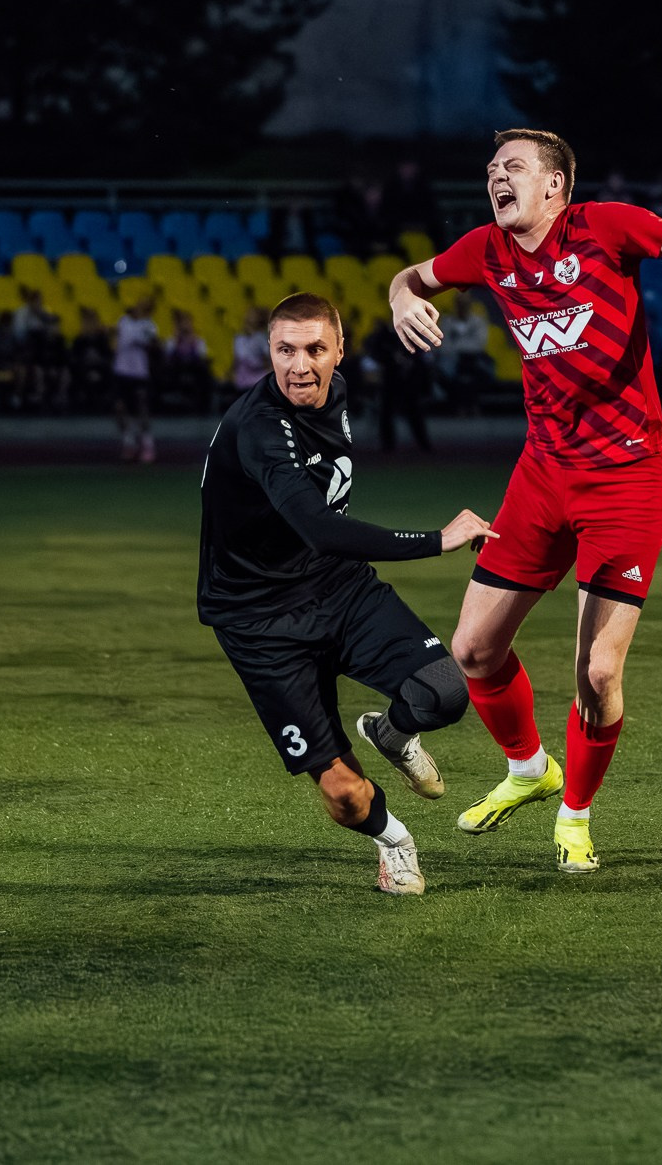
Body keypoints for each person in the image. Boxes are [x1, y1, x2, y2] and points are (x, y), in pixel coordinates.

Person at [386, 128, 662, 874]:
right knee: (473, 650)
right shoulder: (487, 249)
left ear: (554, 185)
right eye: (491, 169)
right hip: (544, 472)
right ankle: (528, 769)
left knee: (598, 674)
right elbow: (411, 276)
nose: (496, 177)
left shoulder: (604, 226)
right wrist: (399, 298)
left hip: (627, 476)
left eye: (512, 167)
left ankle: (575, 813)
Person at [198, 292, 497, 895]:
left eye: (315, 349)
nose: (299, 366)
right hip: (259, 621)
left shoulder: (335, 393)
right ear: (268, 352)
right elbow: (321, 527)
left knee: (444, 693)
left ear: (340, 350)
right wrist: (436, 540)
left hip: (336, 586)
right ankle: (395, 842)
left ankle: (391, 733)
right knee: (344, 796)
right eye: (285, 351)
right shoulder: (260, 428)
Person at [362, 318, 433, 452]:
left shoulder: (412, 333)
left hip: (407, 378)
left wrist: (409, 362)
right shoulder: (384, 335)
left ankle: (423, 443)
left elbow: (420, 354)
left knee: (412, 410)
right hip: (391, 377)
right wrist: (391, 360)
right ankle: (388, 444)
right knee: (387, 410)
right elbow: (375, 351)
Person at [114, 297, 159, 462]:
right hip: (122, 371)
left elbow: (153, 345)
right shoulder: (123, 322)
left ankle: (147, 443)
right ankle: (129, 441)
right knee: (119, 408)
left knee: (141, 407)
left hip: (139, 373)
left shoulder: (149, 326)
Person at [163, 308, 213, 415]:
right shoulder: (173, 339)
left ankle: (203, 407)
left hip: (193, 370)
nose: (185, 326)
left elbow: (203, 355)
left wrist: (192, 340)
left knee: (204, 370)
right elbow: (168, 354)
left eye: (188, 323)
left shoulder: (197, 340)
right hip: (177, 370)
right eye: (183, 323)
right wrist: (176, 338)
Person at [69, 308, 114, 412]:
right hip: (83, 371)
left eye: (92, 322)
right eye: (87, 322)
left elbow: (108, 356)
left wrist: (98, 367)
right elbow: (74, 358)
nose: (90, 325)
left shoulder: (102, 339)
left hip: (101, 370)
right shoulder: (79, 340)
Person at [231, 307, 271, 392]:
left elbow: (270, 359)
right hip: (242, 379)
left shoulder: (261, 338)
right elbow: (236, 361)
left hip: (257, 377)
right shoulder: (239, 339)